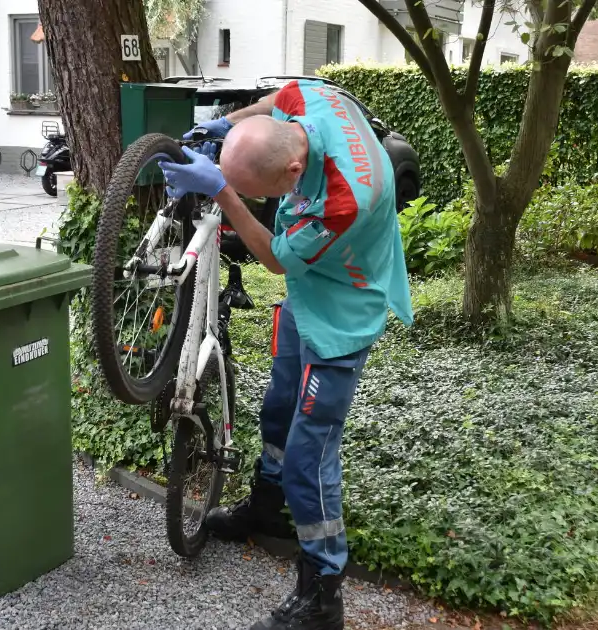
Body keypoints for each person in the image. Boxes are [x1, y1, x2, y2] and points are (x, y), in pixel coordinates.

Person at [160, 78, 413, 630]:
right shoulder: (312, 105)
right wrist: (231, 123)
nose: (263, 199)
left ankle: (322, 594)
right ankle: (266, 510)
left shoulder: (347, 197)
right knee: (278, 409)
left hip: (345, 306)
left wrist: (224, 192)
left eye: (263, 191)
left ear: (294, 174)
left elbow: (276, 258)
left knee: (309, 456)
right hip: (307, 293)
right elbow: (280, 99)